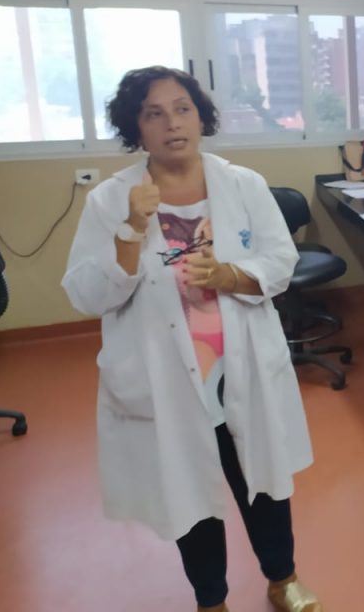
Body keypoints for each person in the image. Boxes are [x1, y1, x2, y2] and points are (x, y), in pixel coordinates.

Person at [62, 66, 323, 612]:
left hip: (241, 364)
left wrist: (230, 275)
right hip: (165, 375)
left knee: (263, 481)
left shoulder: (243, 184)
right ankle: (211, 600)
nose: (172, 123)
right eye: (153, 114)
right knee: (191, 494)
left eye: (182, 108)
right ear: (136, 127)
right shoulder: (111, 200)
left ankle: (283, 578)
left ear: (201, 117)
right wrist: (130, 232)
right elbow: (87, 295)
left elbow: (280, 261)